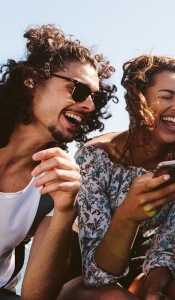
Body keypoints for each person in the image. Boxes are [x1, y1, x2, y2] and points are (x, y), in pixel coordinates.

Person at [58, 55, 175, 300]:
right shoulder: (95, 157)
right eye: (166, 96)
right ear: (139, 101)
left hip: (145, 268)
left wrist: (154, 290)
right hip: (84, 272)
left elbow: (167, 246)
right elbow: (98, 277)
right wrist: (128, 215)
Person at [0, 24, 116, 299]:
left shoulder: (57, 181)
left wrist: (66, 210)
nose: (88, 105)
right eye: (77, 90)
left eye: (95, 98)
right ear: (32, 82)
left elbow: (37, 296)